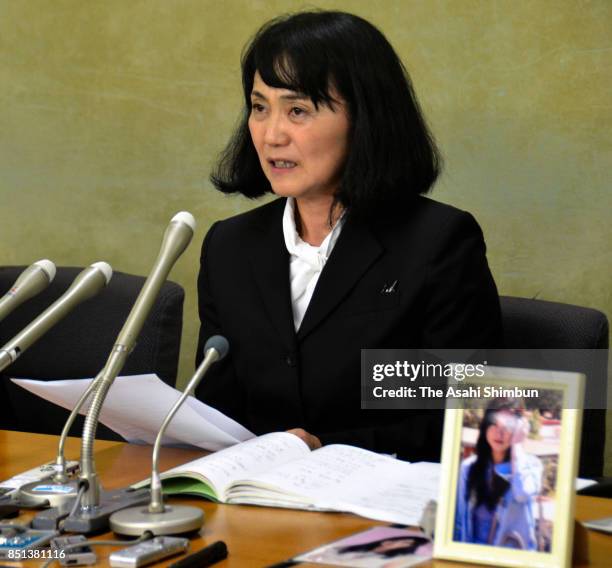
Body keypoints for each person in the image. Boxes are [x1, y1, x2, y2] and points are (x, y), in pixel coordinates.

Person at [196, 10, 503, 460]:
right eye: (260, 107)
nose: (271, 134)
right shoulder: (229, 246)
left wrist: (326, 447)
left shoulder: (436, 244)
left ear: (364, 119)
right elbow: (217, 411)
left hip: (380, 505)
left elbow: (466, 419)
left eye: (297, 110)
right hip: (252, 503)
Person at [454, 398, 543, 549]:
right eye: (494, 424)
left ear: (518, 429)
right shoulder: (468, 467)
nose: (499, 432)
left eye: (507, 425)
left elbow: (523, 492)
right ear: (485, 427)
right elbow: (459, 519)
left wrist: (517, 445)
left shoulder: (530, 465)